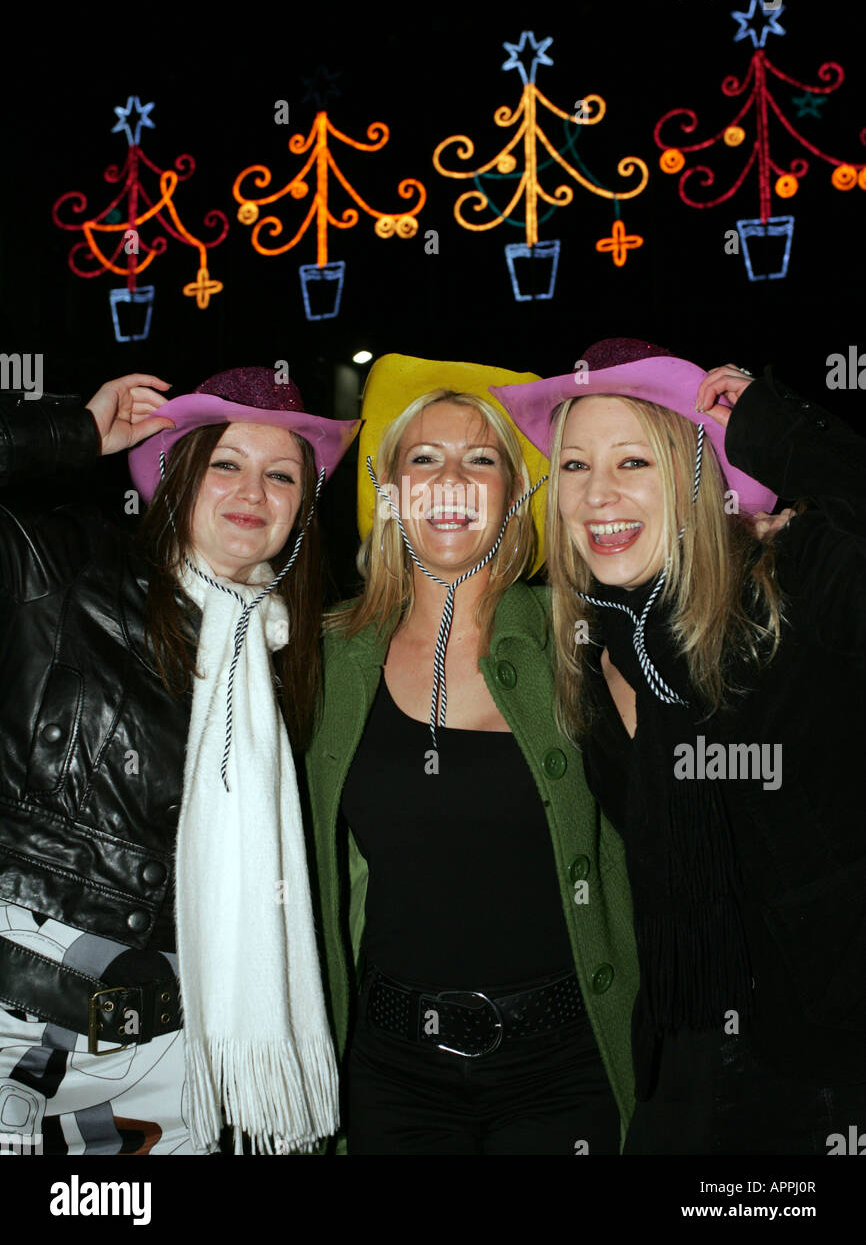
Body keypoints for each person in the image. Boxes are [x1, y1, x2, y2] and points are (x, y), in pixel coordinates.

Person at [493, 338, 866, 1154]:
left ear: (696, 476)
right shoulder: (593, 649)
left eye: (633, 462)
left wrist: (779, 429)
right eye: (577, 465)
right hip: (688, 1055)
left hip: (833, 1066)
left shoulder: (795, 589)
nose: (596, 495)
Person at [0, 366, 358, 1155]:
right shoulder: (61, 572)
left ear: (303, 508)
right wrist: (76, 434)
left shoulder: (303, 658)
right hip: (16, 1025)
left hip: (176, 1057)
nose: (252, 493)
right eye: (224, 464)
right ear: (175, 480)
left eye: (281, 475)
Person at [304, 353, 639, 1155]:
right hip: (387, 1071)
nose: (450, 479)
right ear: (388, 494)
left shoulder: (586, 634)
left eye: (480, 459)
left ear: (517, 495)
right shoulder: (321, 659)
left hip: (564, 1069)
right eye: (423, 458)